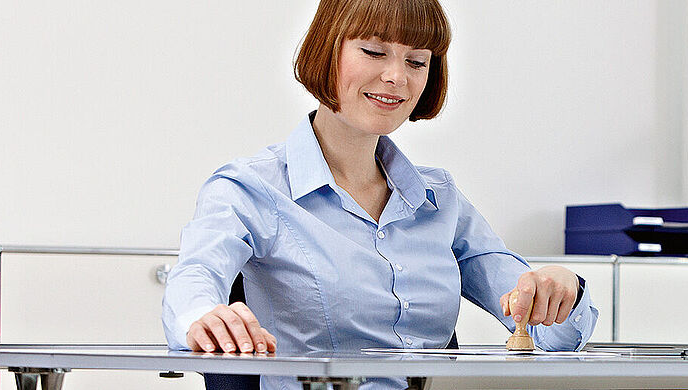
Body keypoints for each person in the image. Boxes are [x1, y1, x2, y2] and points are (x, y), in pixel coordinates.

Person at [161, 0, 597, 388]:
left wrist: (562, 292)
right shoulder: (250, 189)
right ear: (327, 50)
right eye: (373, 52)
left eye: (417, 62)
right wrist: (203, 317)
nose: (396, 78)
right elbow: (194, 280)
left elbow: (547, 334)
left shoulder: (439, 199)